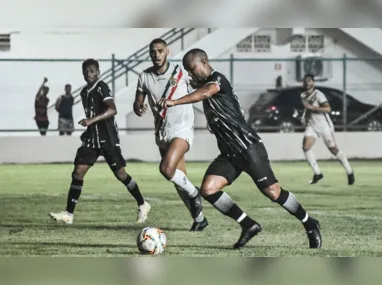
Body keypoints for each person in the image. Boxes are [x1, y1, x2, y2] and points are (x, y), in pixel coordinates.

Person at [158, 48, 322, 249]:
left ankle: (309, 223)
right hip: (229, 153)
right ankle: (248, 225)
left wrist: (174, 101)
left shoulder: (217, 80)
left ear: (204, 62)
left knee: (273, 192)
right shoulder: (201, 83)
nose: (191, 74)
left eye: (192, 69)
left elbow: (206, 92)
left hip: (248, 147)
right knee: (209, 189)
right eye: (188, 71)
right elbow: (194, 87)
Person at [49, 59, 150, 224]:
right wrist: (90, 125)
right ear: (83, 73)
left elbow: (112, 109)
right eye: (86, 71)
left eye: (92, 70)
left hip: (107, 138)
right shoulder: (83, 93)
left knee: (121, 174)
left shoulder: (102, 86)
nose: (89, 74)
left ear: (98, 72)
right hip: (91, 139)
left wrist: (90, 120)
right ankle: (69, 214)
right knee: (78, 172)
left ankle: (142, 204)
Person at [133, 38, 208, 231]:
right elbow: (138, 102)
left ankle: (195, 193)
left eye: (160, 51)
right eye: (153, 52)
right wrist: (139, 107)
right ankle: (199, 219)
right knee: (178, 179)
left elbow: (201, 87)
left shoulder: (181, 72)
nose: (156, 55)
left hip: (182, 128)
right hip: (162, 131)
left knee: (166, 169)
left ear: (168, 52)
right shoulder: (144, 77)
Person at [301, 74, 355, 185]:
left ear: (313, 82)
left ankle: (349, 171)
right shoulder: (303, 95)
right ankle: (317, 173)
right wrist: (304, 116)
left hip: (324, 125)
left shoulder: (319, 95)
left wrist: (314, 108)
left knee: (333, 149)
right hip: (312, 125)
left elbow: (328, 109)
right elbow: (307, 109)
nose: (307, 83)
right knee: (306, 147)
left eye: (309, 81)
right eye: (305, 81)